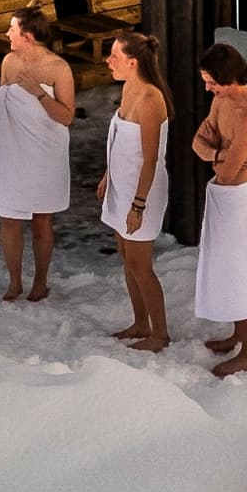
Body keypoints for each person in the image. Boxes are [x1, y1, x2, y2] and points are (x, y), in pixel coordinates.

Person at [0, 9, 75, 302]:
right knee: (9, 217)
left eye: (12, 30)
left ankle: (40, 283)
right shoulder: (8, 61)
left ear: (28, 36)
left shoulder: (58, 68)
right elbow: (4, 101)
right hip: (14, 149)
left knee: (41, 218)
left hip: (44, 150)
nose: (7, 34)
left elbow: (67, 116)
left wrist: (38, 93)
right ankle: (15, 281)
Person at [190, 40, 247, 377]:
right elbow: (199, 140)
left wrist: (214, 155)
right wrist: (216, 153)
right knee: (226, 267)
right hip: (222, 196)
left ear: (230, 79)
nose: (207, 88)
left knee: (243, 270)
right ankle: (238, 333)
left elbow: (227, 170)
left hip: (241, 201)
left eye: (211, 81)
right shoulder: (221, 102)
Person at [98, 30, 173, 352]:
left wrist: (138, 205)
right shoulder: (129, 88)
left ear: (132, 62)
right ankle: (140, 322)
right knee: (127, 259)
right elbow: (119, 140)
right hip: (121, 185)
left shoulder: (150, 100)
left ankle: (160, 333)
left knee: (141, 265)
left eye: (113, 56)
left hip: (142, 191)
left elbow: (151, 159)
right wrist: (107, 176)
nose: (107, 60)